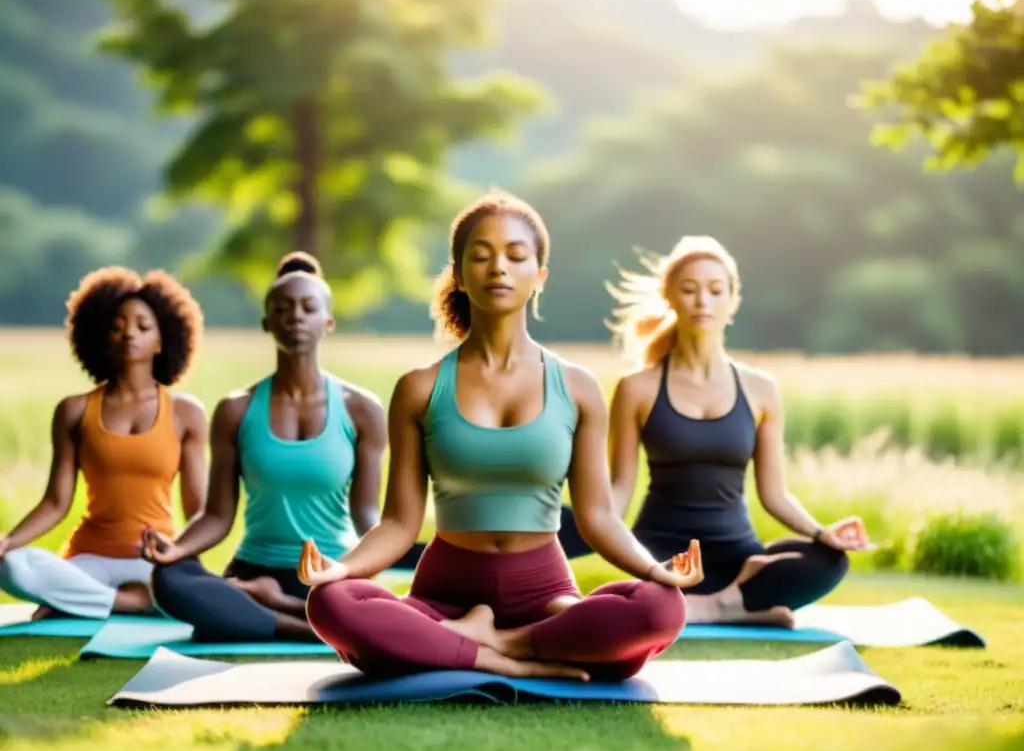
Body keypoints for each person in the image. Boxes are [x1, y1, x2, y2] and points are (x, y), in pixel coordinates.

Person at [296, 190, 704, 682]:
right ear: (459, 274)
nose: (498, 269)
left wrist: (655, 569)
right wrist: (341, 570)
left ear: (539, 277)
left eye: (515, 256)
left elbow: (598, 516)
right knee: (333, 602)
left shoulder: (577, 387)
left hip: (544, 592)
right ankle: (493, 656)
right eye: (481, 256)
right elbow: (400, 522)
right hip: (444, 594)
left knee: (661, 609)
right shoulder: (420, 388)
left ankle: (498, 642)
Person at [591, 236, 871, 626]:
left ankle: (716, 606)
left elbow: (775, 495)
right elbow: (619, 490)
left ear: (733, 301)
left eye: (715, 290)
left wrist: (823, 534)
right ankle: (744, 607)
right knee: (642, 600)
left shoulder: (761, 390)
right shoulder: (637, 388)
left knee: (829, 563)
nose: (702, 301)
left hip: (739, 557)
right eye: (689, 290)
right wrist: (582, 534)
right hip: (665, 556)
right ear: (669, 297)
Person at [140, 252, 390, 643]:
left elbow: (367, 513)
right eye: (283, 308)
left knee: (376, 607)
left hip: (326, 572)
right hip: (252, 571)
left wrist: (369, 568)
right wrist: (175, 549)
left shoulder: (362, 410)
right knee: (170, 579)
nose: (295, 316)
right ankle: (304, 626)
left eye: (308, 308)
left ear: (328, 322)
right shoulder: (236, 410)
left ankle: (271, 608)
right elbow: (217, 516)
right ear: (267, 322)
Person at [0, 267, 207, 620]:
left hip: (155, 558)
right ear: (101, 336)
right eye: (117, 325)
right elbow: (55, 502)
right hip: (89, 558)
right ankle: (129, 602)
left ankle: (81, 603)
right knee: (13, 566)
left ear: (162, 341)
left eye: (143, 326)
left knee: (188, 591)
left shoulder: (186, 413)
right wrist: (7, 543)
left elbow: (199, 510)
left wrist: (182, 558)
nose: (129, 333)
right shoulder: (74, 411)